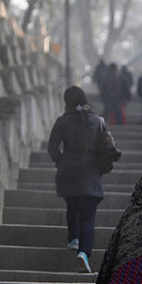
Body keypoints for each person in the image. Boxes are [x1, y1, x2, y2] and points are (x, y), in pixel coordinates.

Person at [48, 86, 117, 273]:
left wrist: (60, 160)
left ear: (66, 102)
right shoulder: (98, 121)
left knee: (72, 205)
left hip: (67, 171)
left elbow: (52, 146)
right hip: (90, 173)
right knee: (87, 215)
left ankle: (73, 239)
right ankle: (84, 253)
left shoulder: (62, 121)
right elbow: (109, 148)